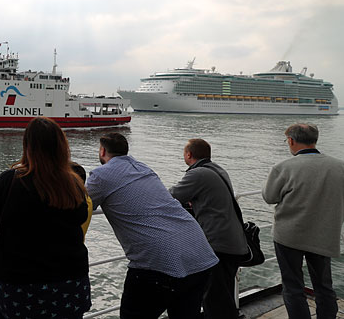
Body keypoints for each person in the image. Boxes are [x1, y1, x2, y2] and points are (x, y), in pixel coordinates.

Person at [0, 117, 92, 319]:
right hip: (71, 288)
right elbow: (79, 217)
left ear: (27, 146)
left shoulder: (11, 181)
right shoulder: (74, 184)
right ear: (62, 147)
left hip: (20, 291)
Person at [86, 132, 218, 319]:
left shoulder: (101, 176)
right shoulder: (143, 168)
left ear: (102, 151)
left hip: (159, 262)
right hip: (199, 253)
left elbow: (80, 206)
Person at [263, 123, 344, 319]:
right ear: (315, 139)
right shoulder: (339, 166)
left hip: (289, 235)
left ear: (291, 141)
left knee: (292, 286)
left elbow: (269, 197)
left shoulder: (283, 168)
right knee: (324, 286)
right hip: (324, 233)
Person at [169, 138, 248, 319]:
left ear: (189, 154)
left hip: (217, 244)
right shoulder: (218, 170)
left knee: (214, 298)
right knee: (224, 295)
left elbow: (170, 196)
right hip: (233, 241)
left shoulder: (198, 174)